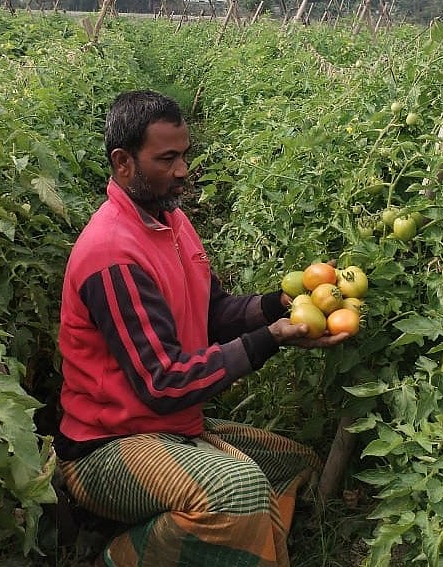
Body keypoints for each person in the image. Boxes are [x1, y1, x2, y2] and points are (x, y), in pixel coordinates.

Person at [55, 89, 349, 567]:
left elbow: (212, 313)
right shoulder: (112, 255)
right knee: (239, 491)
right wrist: (269, 340)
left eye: (184, 155)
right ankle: (117, 556)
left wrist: (279, 308)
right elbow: (163, 383)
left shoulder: (171, 223)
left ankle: (196, 539)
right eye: (166, 159)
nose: (182, 170)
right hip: (106, 448)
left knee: (294, 465)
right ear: (123, 162)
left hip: (171, 428)